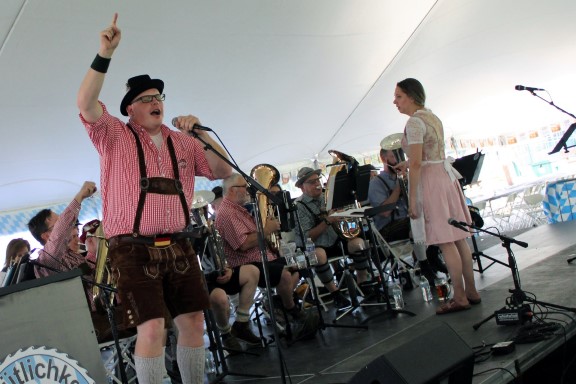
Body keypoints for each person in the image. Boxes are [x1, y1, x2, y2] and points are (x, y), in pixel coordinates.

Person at [76, 14, 232, 384]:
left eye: (158, 97)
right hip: (132, 248)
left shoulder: (183, 141)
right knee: (152, 329)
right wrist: (104, 53)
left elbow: (222, 170)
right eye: (145, 99)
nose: (154, 102)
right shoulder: (113, 134)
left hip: (179, 243)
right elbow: (85, 101)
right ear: (130, 108)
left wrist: (200, 131)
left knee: (194, 321)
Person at [393, 78, 481, 314]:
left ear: (411, 96)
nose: (395, 102)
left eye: (399, 96)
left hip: (431, 181)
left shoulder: (413, 123)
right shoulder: (431, 117)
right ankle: (471, 291)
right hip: (444, 176)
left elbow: (417, 163)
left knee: (445, 239)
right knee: (459, 236)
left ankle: (460, 297)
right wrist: (408, 163)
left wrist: (412, 200)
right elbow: (425, 155)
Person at [215, 173, 317, 339]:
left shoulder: (237, 210)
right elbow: (243, 244)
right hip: (249, 264)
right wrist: (266, 230)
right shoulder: (227, 213)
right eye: (245, 187)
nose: (248, 191)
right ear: (233, 190)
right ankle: (292, 311)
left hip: (263, 258)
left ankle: (279, 302)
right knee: (283, 273)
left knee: (300, 262)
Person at [294, 167, 373, 307]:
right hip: (316, 246)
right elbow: (307, 236)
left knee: (358, 243)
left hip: (337, 240)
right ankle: (335, 293)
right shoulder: (299, 206)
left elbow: (349, 224)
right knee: (319, 254)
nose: (317, 184)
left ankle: (363, 282)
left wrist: (345, 215)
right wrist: (328, 221)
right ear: (302, 187)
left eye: (317, 180)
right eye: (312, 182)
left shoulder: (329, 196)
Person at [367, 147, 442, 285]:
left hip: (408, 221)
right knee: (415, 222)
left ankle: (432, 254)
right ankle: (425, 265)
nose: (399, 160)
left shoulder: (407, 176)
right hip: (388, 227)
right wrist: (398, 187)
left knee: (432, 216)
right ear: (384, 159)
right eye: (394, 156)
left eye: (401, 156)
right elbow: (384, 212)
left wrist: (414, 183)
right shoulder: (376, 183)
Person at [28, 181, 97, 278]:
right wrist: (79, 197)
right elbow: (60, 231)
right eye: (58, 224)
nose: (67, 226)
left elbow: (91, 276)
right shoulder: (47, 259)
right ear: (46, 236)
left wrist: (92, 252)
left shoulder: (70, 254)